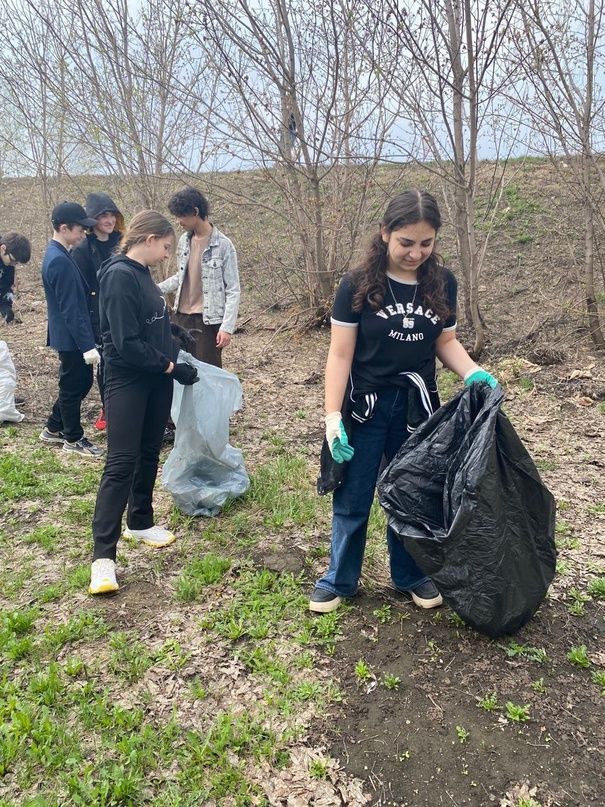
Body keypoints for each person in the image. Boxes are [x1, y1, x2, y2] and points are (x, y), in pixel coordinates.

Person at [310, 190, 498, 614]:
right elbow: (339, 355)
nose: (416, 253)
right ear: (385, 234)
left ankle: (410, 574)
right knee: (354, 496)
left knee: (411, 493)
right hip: (367, 407)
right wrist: (333, 416)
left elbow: (444, 341)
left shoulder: (442, 282)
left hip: (418, 409)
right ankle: (339, 578)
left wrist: (472, 372)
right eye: (406, 243)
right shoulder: (357, 284)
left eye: (426, 243)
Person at [89, 211, 199, 595]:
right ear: (149, 239)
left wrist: (172, 331)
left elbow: (145, 322)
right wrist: (171, 365)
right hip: (128, 381)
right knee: (121, 463)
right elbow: (125, 341)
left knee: (150, 451)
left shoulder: (141, 274)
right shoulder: (118, 275)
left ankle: (140, 521)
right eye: (166, 247)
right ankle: (103, 558)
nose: (166, 255)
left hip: (155, 380)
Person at [39, 202, 104, 457]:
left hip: (70, 334)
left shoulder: (60, 253)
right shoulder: (59, 260)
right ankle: (73, 438)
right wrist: (87, 345)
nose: (83, 234)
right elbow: (71, 309)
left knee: (75, 383)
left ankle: (53, 428)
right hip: (71, 337)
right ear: (64, 228)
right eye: (80, 229)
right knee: (74, 385)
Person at [158, 186, 240, 368]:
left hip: (208, 322)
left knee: (208, 373)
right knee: (181, 369)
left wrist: (227, 328)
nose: (178, 221)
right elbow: (181, 277)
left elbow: (233, 290)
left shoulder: (224, 246)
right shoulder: (184, 241)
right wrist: (154, 288)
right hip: (181, 318)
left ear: (195, 212)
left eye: (181, 216)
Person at [72, 193, 124, 431]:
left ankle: (124, 406)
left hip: (123, 310)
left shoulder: (123, 242)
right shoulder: (83, 248)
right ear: (93, 220)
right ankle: (109, 408)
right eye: (103, 215)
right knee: (104, 364)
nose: (109, 220)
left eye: (111, 214)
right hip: (97, 315)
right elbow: (81, 289)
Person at [0, 232, 32, 324]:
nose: (13, 264)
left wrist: (5, 306)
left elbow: (5, 288)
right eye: (13, 260)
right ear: (3, 248)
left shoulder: (8, 265)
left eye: (17, 263)